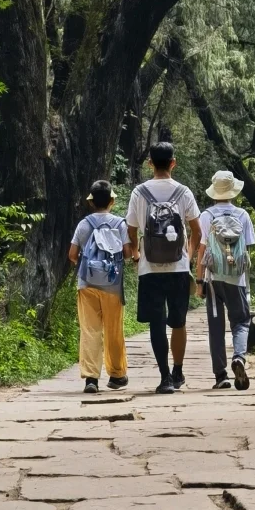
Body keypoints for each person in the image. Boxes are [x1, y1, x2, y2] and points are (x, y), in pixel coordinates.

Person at [126, 142, 201, 394]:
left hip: (150, 269)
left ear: (150, 163)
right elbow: (197, 231)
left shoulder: (139, 192)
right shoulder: (184, 192)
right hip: (178, 268)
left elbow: (131, 229)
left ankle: (165, 377)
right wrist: (187, 257)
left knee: (156, 323)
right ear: (173, 162)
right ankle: (178, 369)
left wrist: (137, 254)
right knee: (178, 322)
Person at [69, 179, 134, 393]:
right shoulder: (120, 224)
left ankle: (91, 378)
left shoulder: (84, 224)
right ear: (112, 201)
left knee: (90, 330)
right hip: (112, 285)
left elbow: (72, 255)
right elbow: (126, 253)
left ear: (91, 202)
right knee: (113, 330)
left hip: (86, 284)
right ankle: (116, 375)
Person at [196, 169, 255, 390]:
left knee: (216, 326)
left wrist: (199, 280)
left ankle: (221, 376)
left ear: (214, 192)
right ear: (233, 192)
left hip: (213, 278)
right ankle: (239, 357)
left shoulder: (206, 216)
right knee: (241, 321)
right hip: (236, 279)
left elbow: (202, 251)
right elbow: (247, 250)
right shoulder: (243, 215)